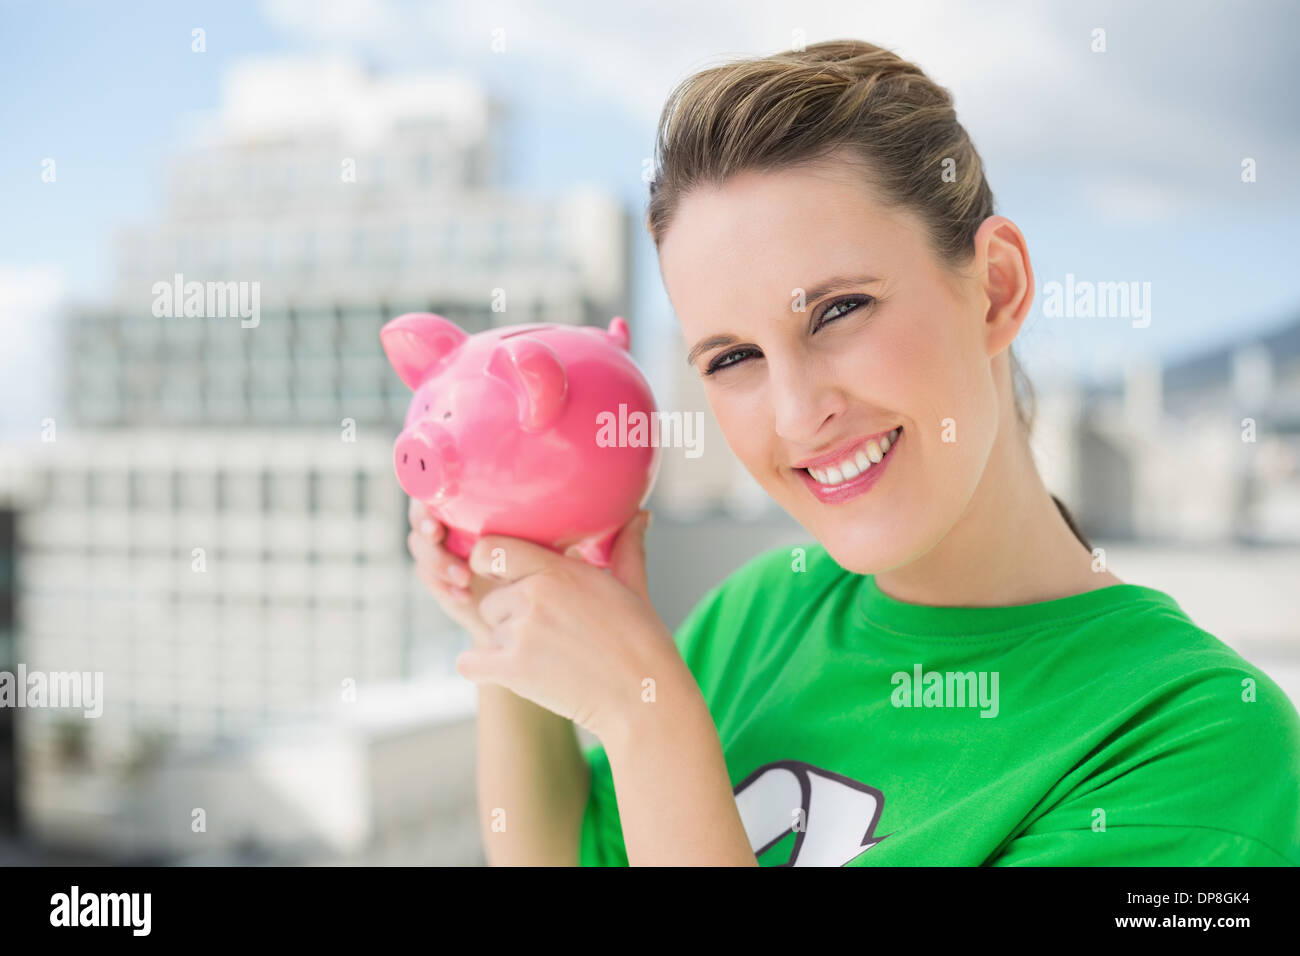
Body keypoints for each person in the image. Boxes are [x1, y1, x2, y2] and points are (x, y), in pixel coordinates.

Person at [406, 39, 1300, 866]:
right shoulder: (758, 615)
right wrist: (515, 615)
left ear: (996, 289)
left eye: (838, 311)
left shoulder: (1194, 739)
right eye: (733, 358)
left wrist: (652, 724)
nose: (799, 415)